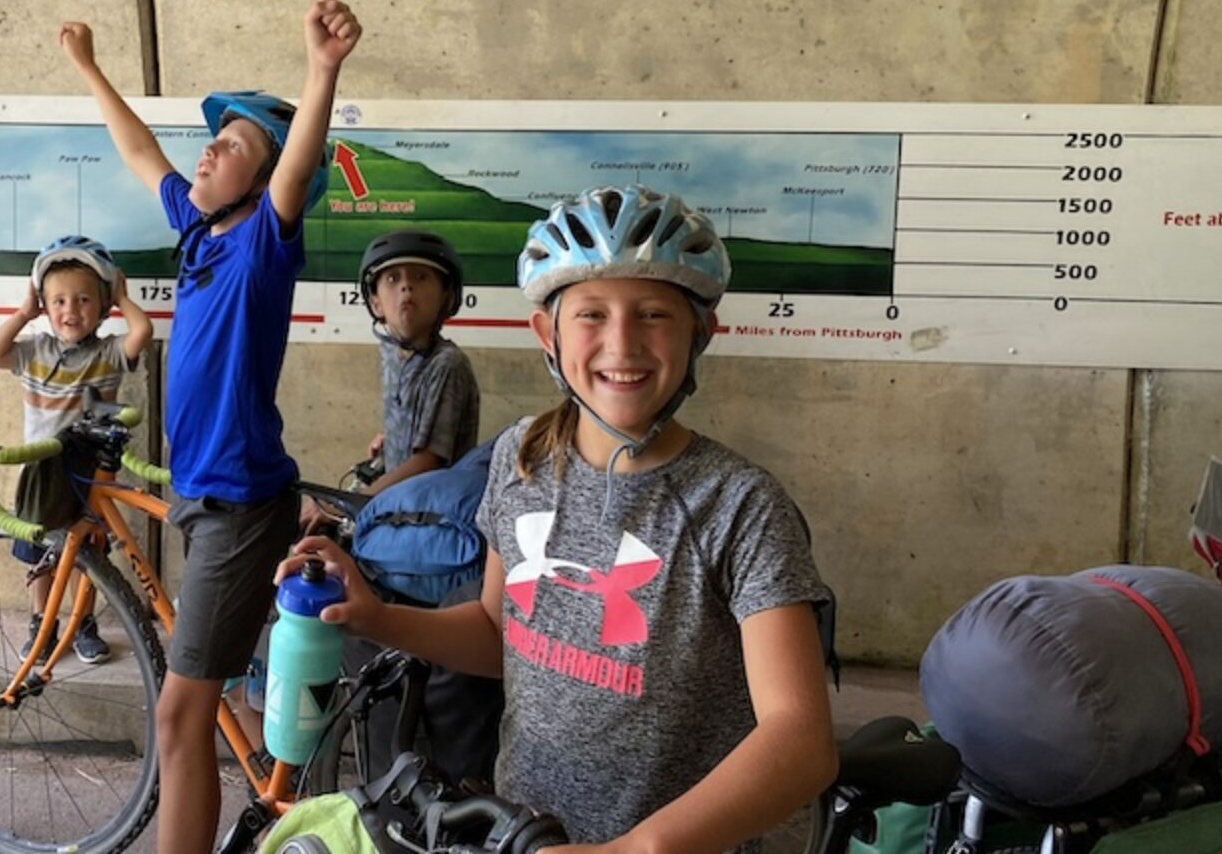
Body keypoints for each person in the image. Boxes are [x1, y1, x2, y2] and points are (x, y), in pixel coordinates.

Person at [282, 184, 837, 854]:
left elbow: (800, 741)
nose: (622, 343)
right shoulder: (521, 460)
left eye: (655, 314)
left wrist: (636, 849)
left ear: (699, 331)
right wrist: (377, 617)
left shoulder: (740, 507)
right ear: (547, 332)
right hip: (525, 835)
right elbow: (498, 631)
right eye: (592, 314)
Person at [63, 0, 359, 854]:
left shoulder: (264, 244)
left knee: (178, 714)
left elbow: (297, 173)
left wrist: (321, 73)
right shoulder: (198, 232)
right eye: (215, 137)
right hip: (203, 499)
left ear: (261, 181)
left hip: (237, 509)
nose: (211, 149)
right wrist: (89, 68)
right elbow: (139, 150)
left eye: (234, 145)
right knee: (198, 701)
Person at [0, 235, 153, 661]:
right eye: (57, 301)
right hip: (40, 468)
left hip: (91, 470)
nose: (70, 311)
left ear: (103, 303)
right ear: (44, 304)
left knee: (86, 550)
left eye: (83, 300)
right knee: (40, 551)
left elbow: (142, 332)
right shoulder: (34, 350)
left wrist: (123, 298)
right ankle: (43, 621)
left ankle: (82, 621)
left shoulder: (109, 352)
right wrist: (23, 313)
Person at [302, 228, 480, 530]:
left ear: (446, 298)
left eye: (421, 278)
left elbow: (427, 461)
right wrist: (392, 440)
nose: (406, 287)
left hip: (430, 523)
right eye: (392, 279)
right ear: (376, 304)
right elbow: (416, 426)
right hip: (400, 508)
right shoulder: (395, 357)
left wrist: (346, 503)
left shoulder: (446, 364)